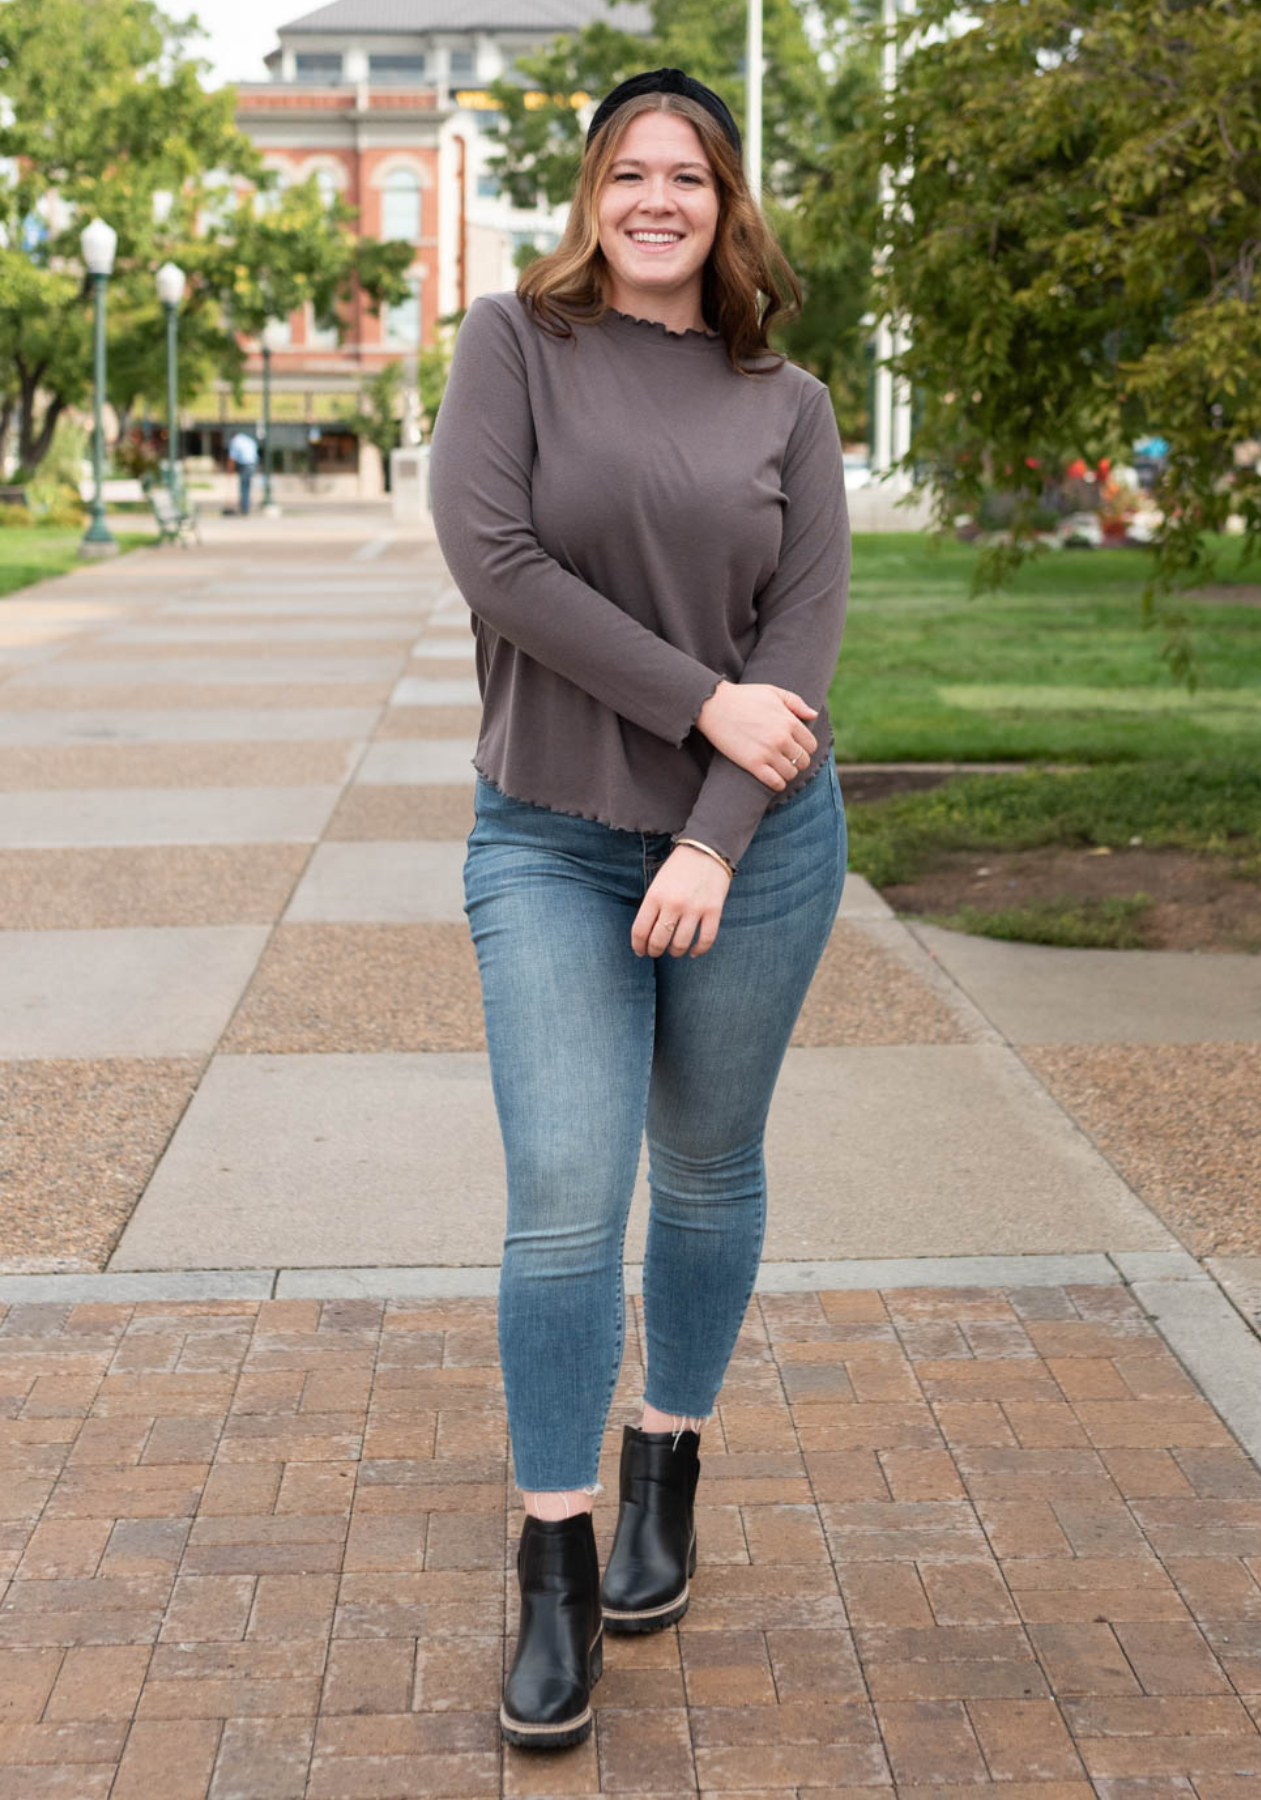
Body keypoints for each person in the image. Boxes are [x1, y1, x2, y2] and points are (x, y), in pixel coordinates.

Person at [427, 66, 850, 1752]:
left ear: (725, 202)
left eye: (688, 174)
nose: (658, 199)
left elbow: (797, 659)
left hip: (753, 850)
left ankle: (665, 1456)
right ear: (591, 195)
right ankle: (553, 1554)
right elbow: (498, 561)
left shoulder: (789, 402)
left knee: (708, 1166)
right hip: (546, 835)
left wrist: (715, 834)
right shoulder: (513, 346)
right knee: (559, 1197)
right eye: (628, 174)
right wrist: (696, 712)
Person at [226, 428, 258, 514]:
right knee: (247, 486)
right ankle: (246, 507)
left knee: (243, 487)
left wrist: (229, 471)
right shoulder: (248, 440)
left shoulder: (235, 441)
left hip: (244, 465)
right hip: (252, 464)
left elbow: (232, 458)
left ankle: (244, 508)